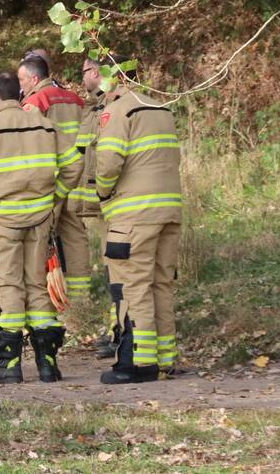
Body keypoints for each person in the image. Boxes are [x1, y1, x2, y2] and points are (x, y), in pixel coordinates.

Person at [0, 71, 82, 384]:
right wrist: (56, 200)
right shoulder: (43, 124)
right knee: (37, 284)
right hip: (40, 219)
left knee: (10, 285)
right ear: (19, 94)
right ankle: (48, 364)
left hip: (3, 222)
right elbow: (74, 165)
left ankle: (9, 364)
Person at [94, 70, 182, 384]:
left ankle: (138, 363)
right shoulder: (162, 109)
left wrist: (101, 192)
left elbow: (108, 163)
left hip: (134, 216)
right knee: (161, 284)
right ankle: (165, 360)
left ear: (111, 83)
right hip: (169, 211)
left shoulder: (117, 111)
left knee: (134, 285)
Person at [75, 54, 134, 358]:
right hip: (101, 205)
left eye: (83, 71)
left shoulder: (111, 109)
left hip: (115, 205)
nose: (80, 78)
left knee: (119, 271)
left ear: (96, 72)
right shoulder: (95, 108)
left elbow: (105, 161)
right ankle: (117, 329)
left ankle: (122, 334)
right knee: (113, 271)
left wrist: (100, 195)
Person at [17, 54, 90, 300]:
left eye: (22, 80)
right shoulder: (76, 99)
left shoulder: (35, 103)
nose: (21, 86)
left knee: (41, 240)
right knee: (76, 238)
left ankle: (47, 297)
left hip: (50, 186)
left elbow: (27, 147)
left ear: (34, 78)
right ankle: (80, 296)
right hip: (77, 181)